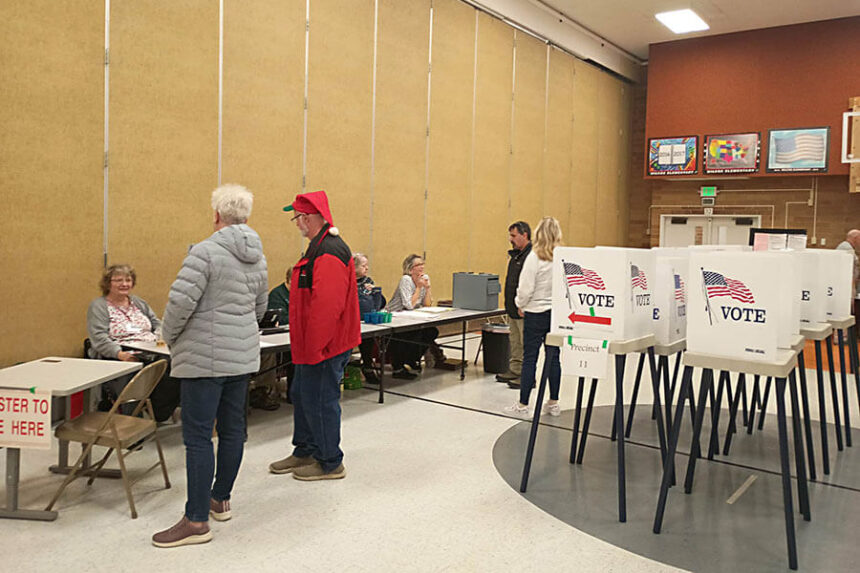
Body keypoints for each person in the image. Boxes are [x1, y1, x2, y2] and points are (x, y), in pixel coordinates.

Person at [152, 184, 268, 548]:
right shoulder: (258, 257)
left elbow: (179, 304)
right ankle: (220, 499)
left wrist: (167, 337)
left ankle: (196, 520)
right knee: (233, 430)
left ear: (216, 215)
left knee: (198, 437)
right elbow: (260, 311)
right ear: (245, 217)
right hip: (242, 357)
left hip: (203, 360)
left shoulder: (203, 252)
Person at [269, 190, 360, 481]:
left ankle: (330, 462)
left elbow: (327, 305)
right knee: (302, 394)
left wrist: (317, 347)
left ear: (307, 218)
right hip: (311, 344)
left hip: (325, 345)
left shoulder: (329, 250)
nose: (296, 224)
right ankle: (305, 450)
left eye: (296, 218)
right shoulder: (317, 247)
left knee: (320, 399)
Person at [86, 264, 180, 421]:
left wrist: (159, 339)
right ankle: (151, 412)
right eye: (118, 280)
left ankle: (159, 410)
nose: (124, 284)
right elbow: (98, 337)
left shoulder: (138, 302)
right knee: (165, 364)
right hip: (121, 351)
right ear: (108, 283)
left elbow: (157, 324)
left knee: (178, 362)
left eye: (128, 280)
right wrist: (120, 354)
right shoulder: (99, 306)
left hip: (151, 348)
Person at [503, 216, 563, 419]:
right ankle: (553, 402)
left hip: (535, 313)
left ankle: (523, 404)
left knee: (530, 358)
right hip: (556, 315)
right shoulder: (563, 256)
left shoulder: (535, 257)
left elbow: (525, 287)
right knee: (554, 358)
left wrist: (520, 304)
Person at [386, 254, 441, 379]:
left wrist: (427, 288)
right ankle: (399, 366)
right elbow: (409, 305)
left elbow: (427, 305)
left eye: (422, 264)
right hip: (395, 316)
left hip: (412, 317)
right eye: (418, 265)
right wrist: (418, 287)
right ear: (410, 269)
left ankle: (411, 360)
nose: (422, 267)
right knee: (410, 334)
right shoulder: (406, 280)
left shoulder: (423, 278)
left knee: (431, 332)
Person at [250, 268, 294, 410]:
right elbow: (280, 319)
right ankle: (261, 391)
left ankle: (294, 391)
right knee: (269, 354)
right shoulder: (277, 294)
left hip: (287, 335)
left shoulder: (301, 294)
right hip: (263, 335)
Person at [496, 221, 532, 388]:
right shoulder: (516, 255)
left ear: (524, 235)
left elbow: (529, 284)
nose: (510, 239)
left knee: (526, 344)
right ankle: (515, 370)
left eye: (513, 235)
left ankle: (527, 377)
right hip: (512, 307)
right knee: (515, 341)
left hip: (524, 309)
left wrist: (523, 305)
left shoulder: (531, 256)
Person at [354, 252, 385, 384]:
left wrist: (375, 292)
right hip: (350, 323)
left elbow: (376, 306)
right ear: (353, 267)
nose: (366, 268)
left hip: (366, 322)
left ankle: (367, 367)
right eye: (363, 266)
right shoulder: (345, 281)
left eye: (367, 266)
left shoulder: (368, 282)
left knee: (368, 341)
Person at [836, 229, 859, 313]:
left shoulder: (846, 247)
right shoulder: (846, 248)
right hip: (845, 287)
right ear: (856, 238)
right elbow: (849, 271)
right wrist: (852, 292)